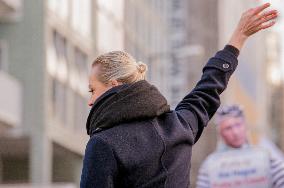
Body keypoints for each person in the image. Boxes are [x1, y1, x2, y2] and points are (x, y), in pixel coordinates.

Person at [80, 3, 278, 188]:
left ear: (114, 86)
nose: (90, 101)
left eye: (92, 90)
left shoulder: (104, 144)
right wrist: (238, 38)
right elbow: (208, 88)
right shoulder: (179, 127)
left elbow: (206, 90)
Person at [196, 105, 284, 188]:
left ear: (245, 126)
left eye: (238, 125)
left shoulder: (266, 156)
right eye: (228, 128)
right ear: (221, 134)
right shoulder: (210, 165)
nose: (235, 132)